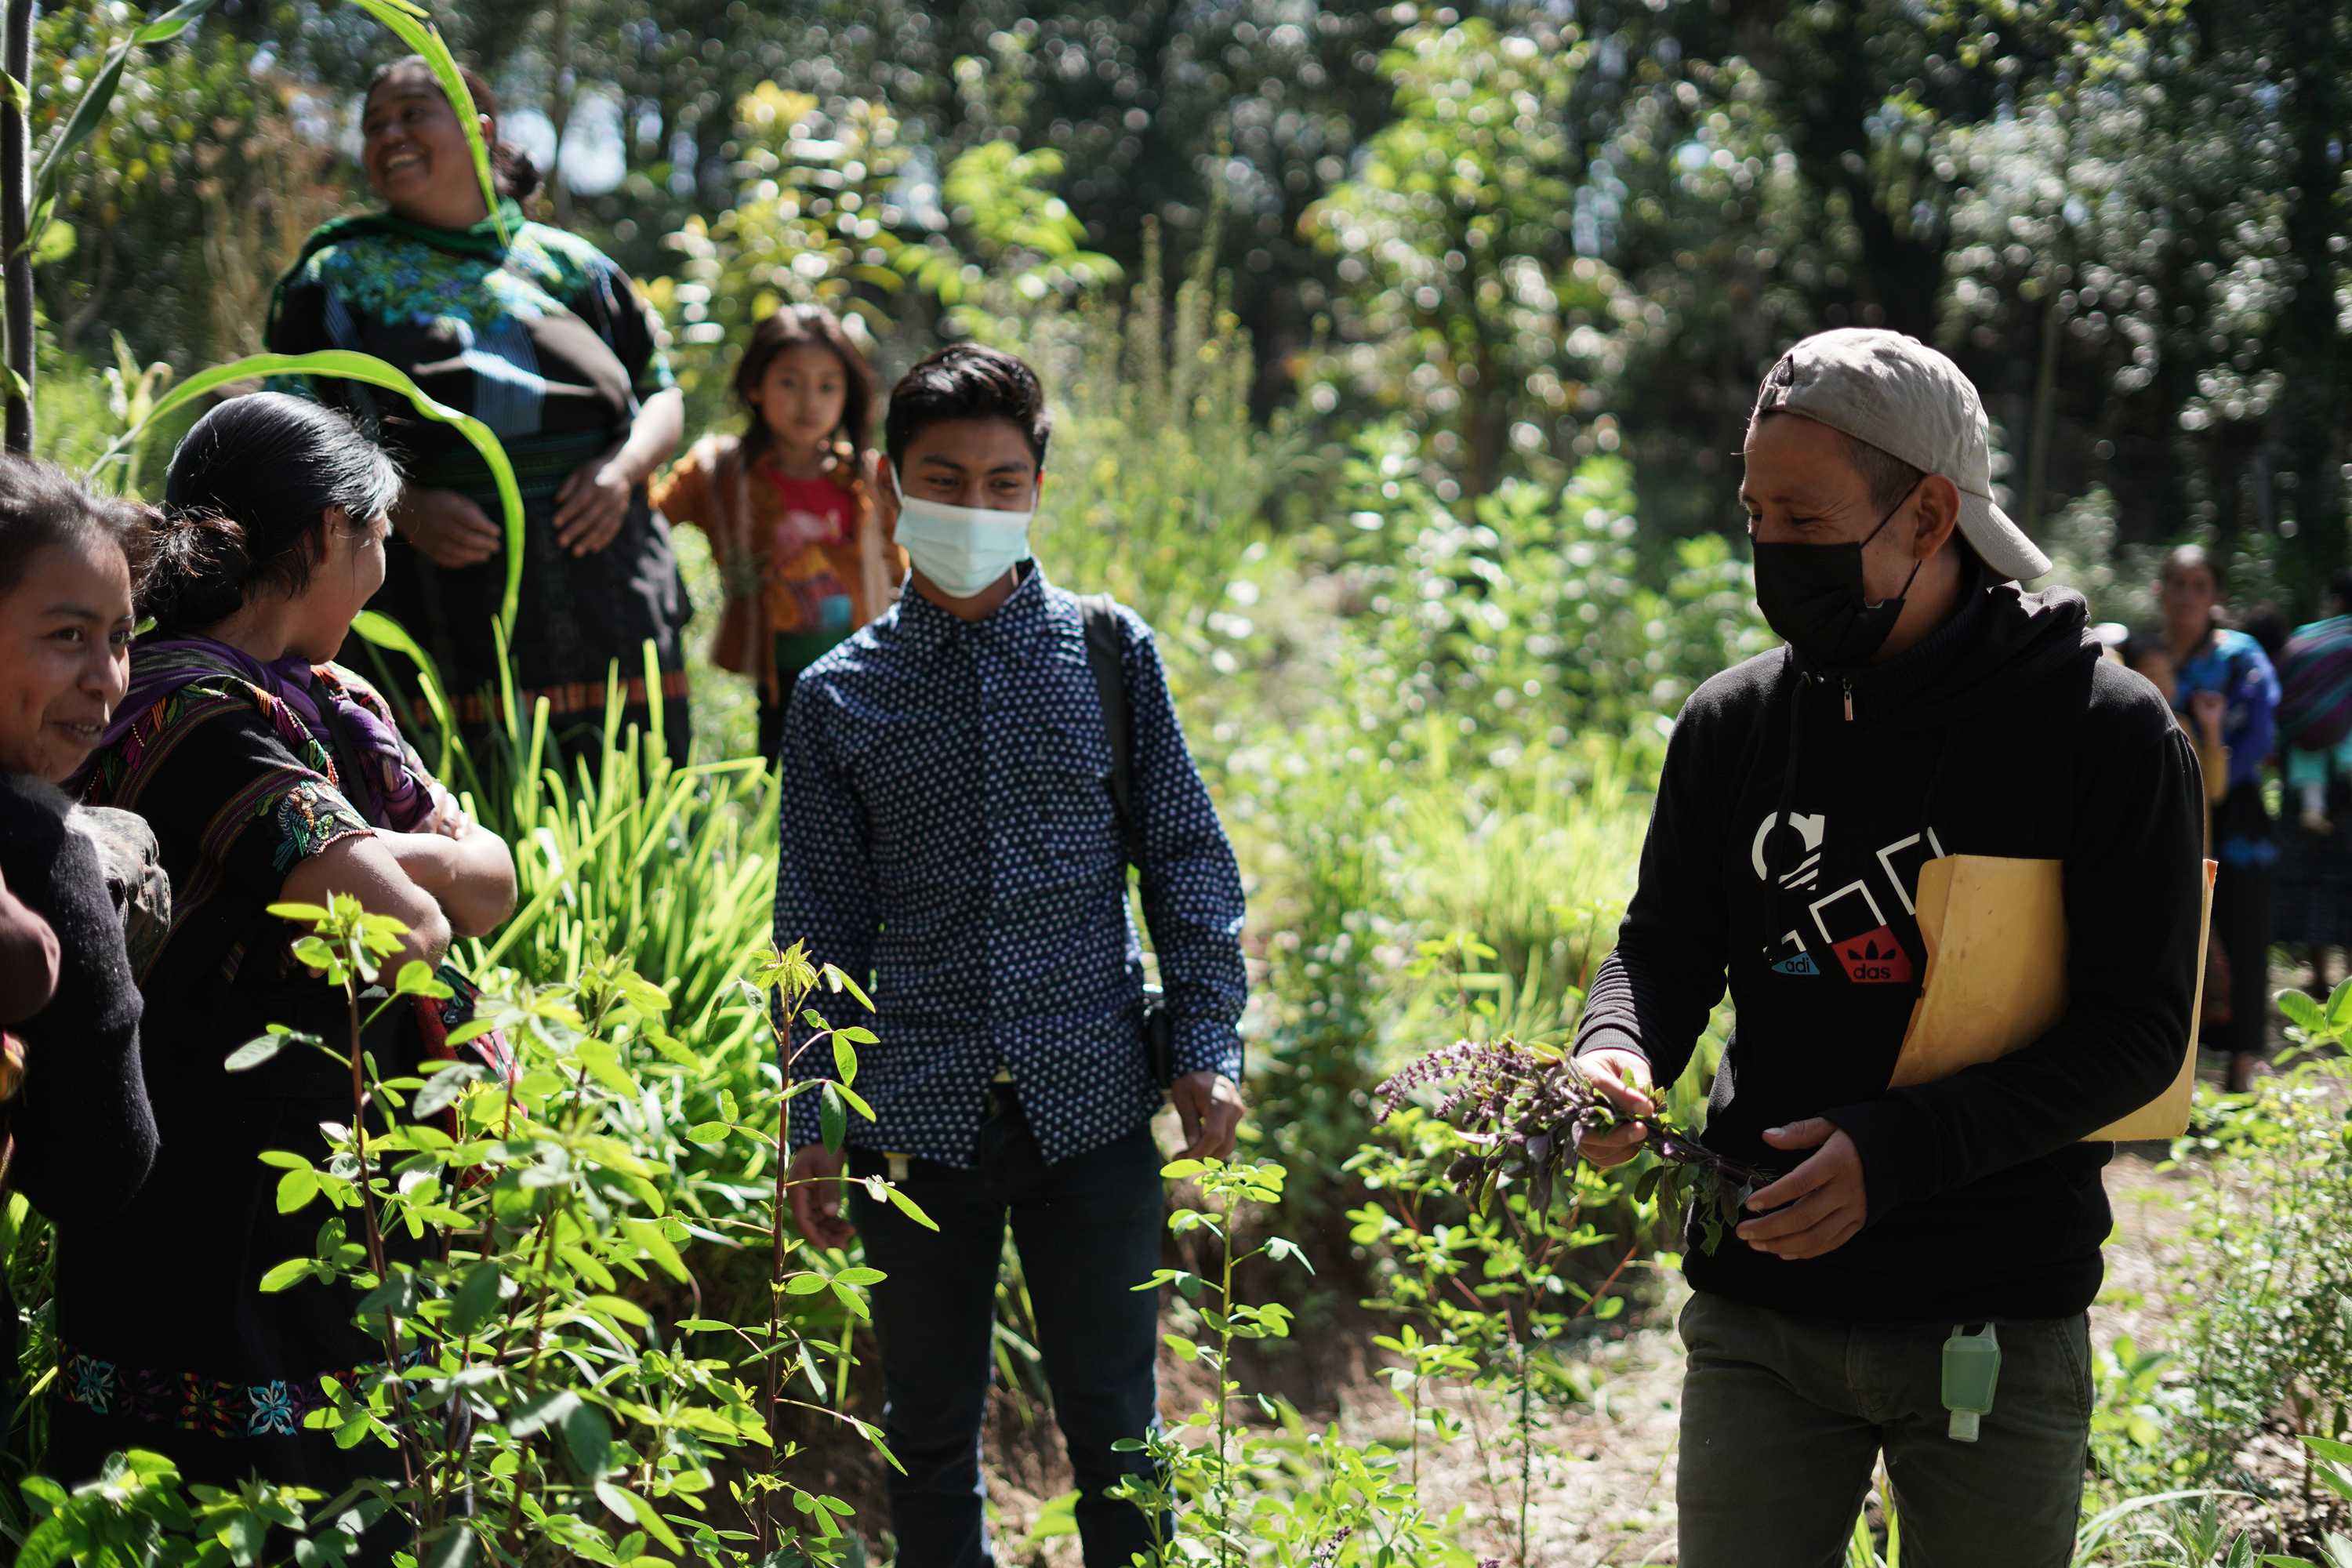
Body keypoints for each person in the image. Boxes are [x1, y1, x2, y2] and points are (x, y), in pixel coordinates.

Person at [1570, 329, 2203, 1568]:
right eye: (1757, 515)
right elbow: (1665, 948)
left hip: (1993, 1317)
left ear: (1928, 516)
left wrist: (1899, 1152)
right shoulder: (1732, 724)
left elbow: (2139, 1036)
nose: (1771, 551)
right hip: (1761, 1314)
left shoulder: (2104, 734)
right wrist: (1617, 1046)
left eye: (1806, 521)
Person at [771, 345, 1248, 1568]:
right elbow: (817, 930)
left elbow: (1185, 861)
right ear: (892, 485)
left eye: (1002, 482)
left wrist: (1205, 1045)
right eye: (944, 480)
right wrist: (809, 1119)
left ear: (1037, 488)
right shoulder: (838, 698)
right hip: (911, 1126)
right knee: (926, 1434)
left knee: (1119, 1428)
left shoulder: (1108, 654)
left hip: (1093, 1107)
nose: (974, 507)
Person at [63, 395, 515, 1548]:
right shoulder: (189, 714)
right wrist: (408, 860)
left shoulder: (331, 703)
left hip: (326, 1164)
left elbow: (495, 883)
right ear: (324, 534)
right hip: (221, 1172)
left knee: (344, 1478)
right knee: (240, 1498)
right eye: (378, 537)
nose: (381, 571)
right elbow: (408, 922)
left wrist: (385, 855)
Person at [266, 56, 691, 764]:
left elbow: (662, 393)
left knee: (626, 778)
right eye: (375, 125)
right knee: (450, 794)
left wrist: (620, 474)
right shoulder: (336, 277)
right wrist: (406, 507)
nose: (390, 135)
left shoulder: (574, 267)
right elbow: (297, 424)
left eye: (412, 114)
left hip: (607, 593)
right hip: (431, 597)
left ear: (480, 130)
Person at [0, 457, 162, 1443]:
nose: (106, 679)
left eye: (120, 639)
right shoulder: (35, 842)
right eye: (68, 637)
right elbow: (102, 1165)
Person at [651, 305, 902, 760]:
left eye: (827, 386)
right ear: (756, 386)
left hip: (864, 670)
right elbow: (652, 517)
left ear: (847, 394)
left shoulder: (868, 478)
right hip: (778, 674)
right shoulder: (719, 471)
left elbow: (900, 569)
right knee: (783, 770)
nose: (809, 402)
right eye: (789, 383)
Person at [2161, 546, 2278, 1091]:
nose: (2187, 596)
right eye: (2178, 584)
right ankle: (2172, 1066)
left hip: (2237, 814)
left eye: (2199, 585)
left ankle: (2240, 1067)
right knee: (2175, 929)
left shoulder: (2240, 656)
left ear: (2216, 595)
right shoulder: (2150, 655)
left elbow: (2261, 727)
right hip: (2172, 808)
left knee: (2242, 925)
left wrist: (2220, 775)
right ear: (2161, 591)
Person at [2270, 572, 2352, 994]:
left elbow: (2283, 701)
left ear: (2335, 600)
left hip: (2306, 776)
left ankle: (2319, 978)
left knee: (2314, 880)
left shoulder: (2305, 639)